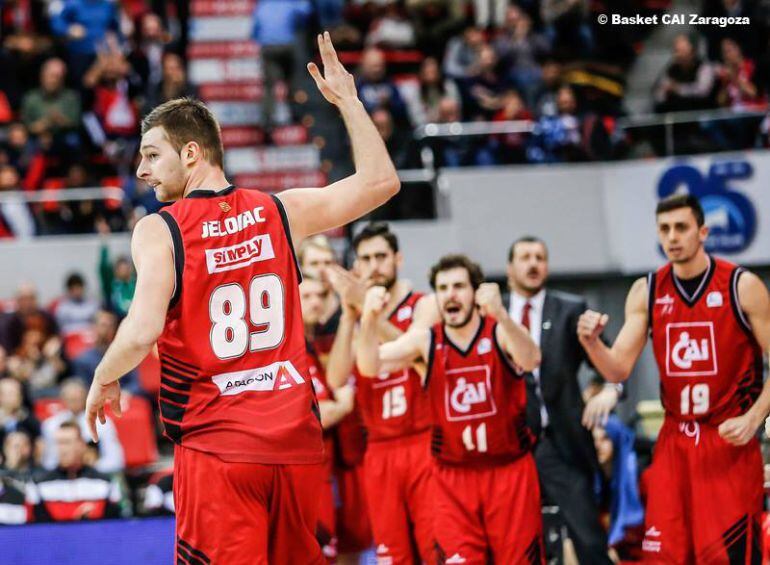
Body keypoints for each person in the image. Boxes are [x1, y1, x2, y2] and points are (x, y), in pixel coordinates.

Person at [84, 32, 400, 564]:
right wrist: (348, 99)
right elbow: (380, 182)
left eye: (152, 155)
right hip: (295, 448)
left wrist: (103, 374)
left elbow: (141, 332)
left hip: (218, 449)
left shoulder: (160, 229)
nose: (141, 170)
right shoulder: (279, 210)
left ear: (191, 152)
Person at [578, 194, 770, 563]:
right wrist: (592, 344)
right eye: (664, 229)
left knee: (727, 556)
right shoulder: (646, 291)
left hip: (726, 440)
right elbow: (617, 369)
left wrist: (753, 418)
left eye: (681, 227)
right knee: (663, 554)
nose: (672, 237)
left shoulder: (741, 286)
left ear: (703, 232)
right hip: (674, 441)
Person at [357, 254, 544, 563]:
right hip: (453, 479)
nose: (451, 294)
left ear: (475, 293)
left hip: (508, 473)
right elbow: (369, 365)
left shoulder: (498, 331)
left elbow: (531, 358)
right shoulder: (425, 341)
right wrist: (368, 318)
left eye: (459, 286)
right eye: (443, 288)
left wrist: (503, 316)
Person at [327, 223, 437, 564]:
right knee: (393, 555)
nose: (374, 266)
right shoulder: (359, 317)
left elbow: (414, 349)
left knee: (435, 549)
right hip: (378, 449)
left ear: (398, 259)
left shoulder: (424, 304)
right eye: (365, 259)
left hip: (424, 442)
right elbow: (336, 377)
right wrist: (350, 316)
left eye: (381, 257)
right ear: (356, 266)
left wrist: (370, 312)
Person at [505, 235, 618, 564]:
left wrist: (609, 391)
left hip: (561, 440)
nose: (533, 263)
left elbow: (609, 364)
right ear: (510, 268)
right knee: (517, 540)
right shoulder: (492, 312)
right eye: (524, 257)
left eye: (539, 257)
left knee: (588, 538)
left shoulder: (571, 309)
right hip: (508, 442)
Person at [300, 275, 355, 561]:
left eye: (320, 295)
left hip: (324, 472)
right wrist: (343, 405)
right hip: (306, 479)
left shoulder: (314, 346)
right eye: (306, 296)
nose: (316, 302)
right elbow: (316, 417)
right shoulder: (294, 349)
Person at [28, 420, 122, 522]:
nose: (62, 449)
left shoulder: (105, 482)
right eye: (59, 443)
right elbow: (37, 528)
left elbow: (114, 524)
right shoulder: (39, 483)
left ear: (81, 445)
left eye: (67, 442)